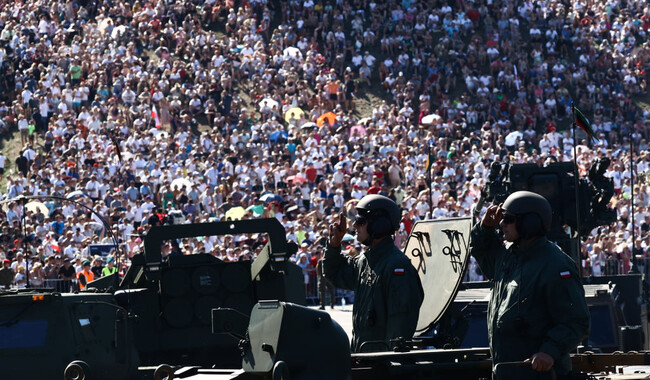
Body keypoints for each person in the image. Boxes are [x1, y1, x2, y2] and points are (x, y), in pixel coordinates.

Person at [469, 191, 590, 379]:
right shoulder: (508, 257)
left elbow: (576, 320)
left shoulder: (555, 264)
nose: (502, 224)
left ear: (530, 223)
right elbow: (481, 248)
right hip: (507, 371)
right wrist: (485, 227)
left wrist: (549, 351)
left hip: (540, 374)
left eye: (508, 219)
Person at [324, 194, 423, 353]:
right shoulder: (365, 261)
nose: (355, 226)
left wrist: (389, 363)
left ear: (380, 225)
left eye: (361, 222)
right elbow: (334, 274)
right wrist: (333, 246)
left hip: (381, 364)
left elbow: (400, 325)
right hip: (364, 356)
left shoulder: (397, 266)